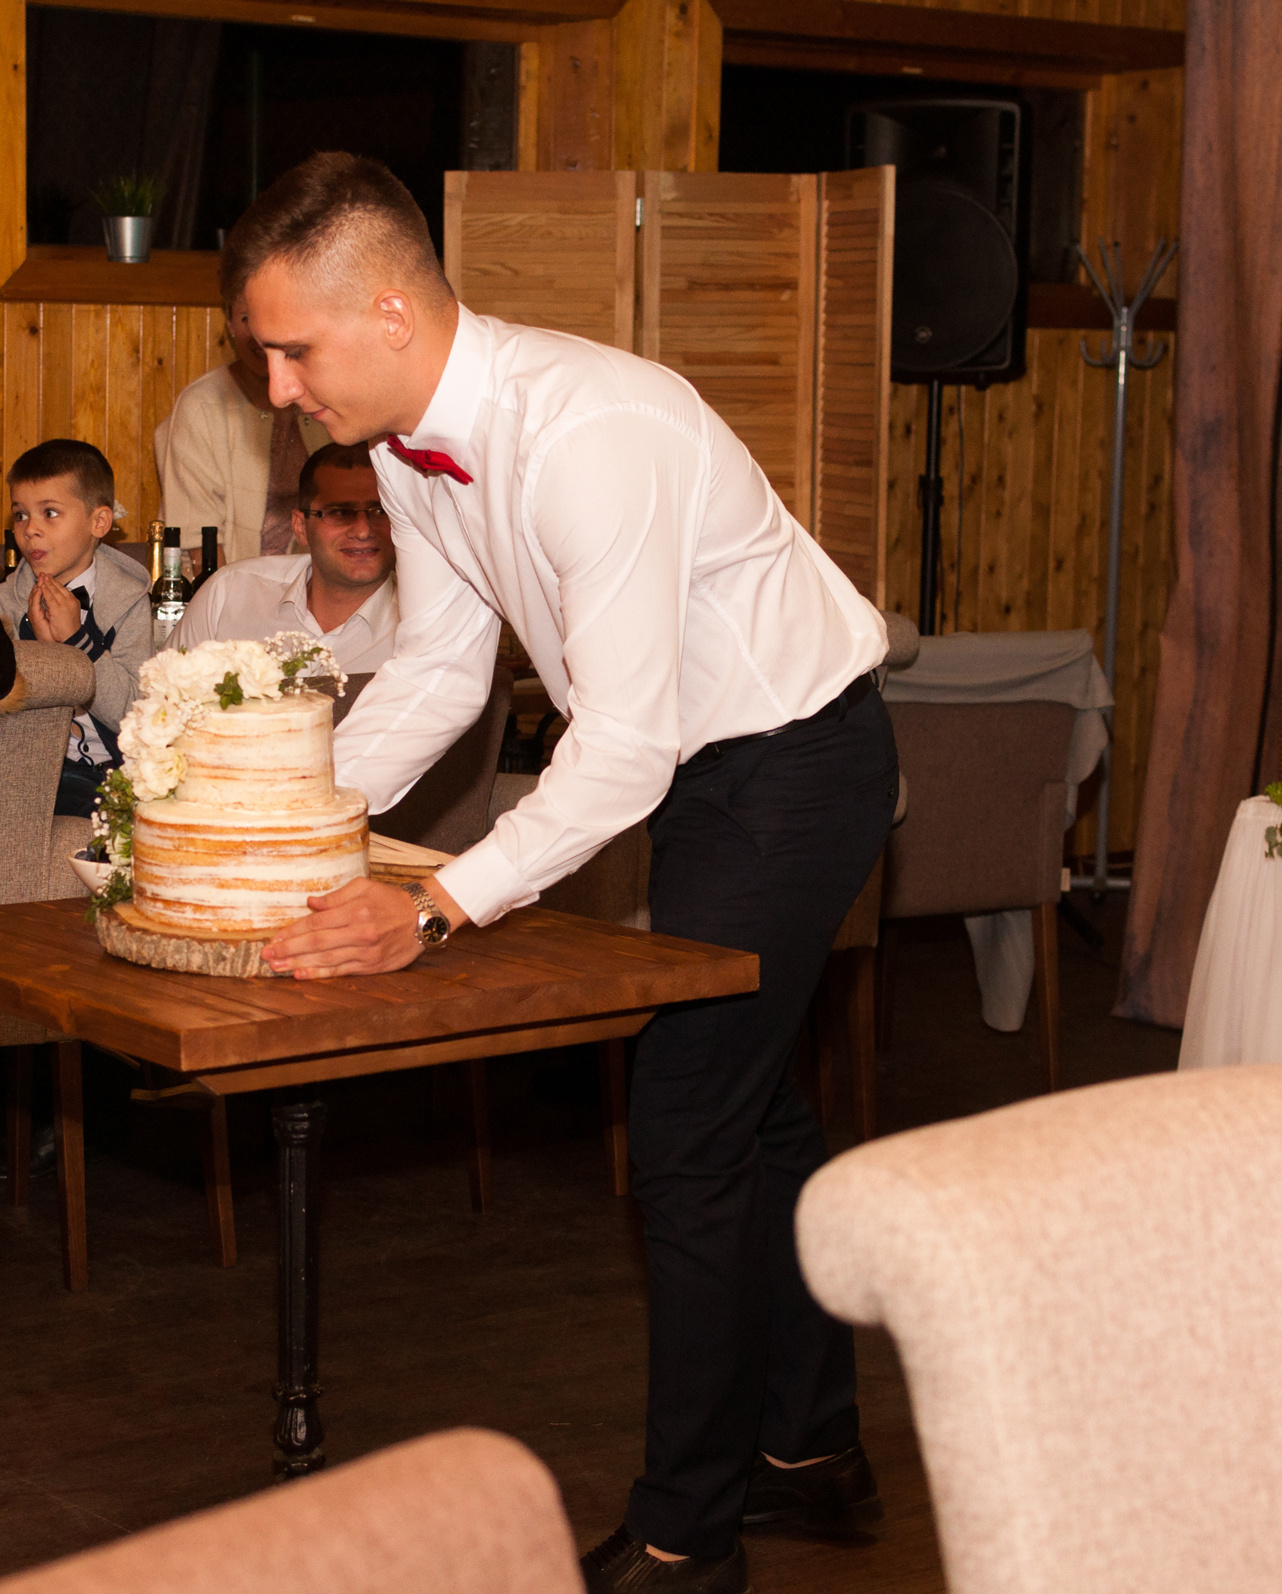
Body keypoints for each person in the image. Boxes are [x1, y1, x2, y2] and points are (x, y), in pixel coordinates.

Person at [234, 155, 896, 1593]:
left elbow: (623, 750)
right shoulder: (406, 448)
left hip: (794, 761)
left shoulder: (594, 430)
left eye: (293, 352)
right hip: (701, 766)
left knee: (687, 1127)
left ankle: (687, 1537)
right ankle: (809, 1444)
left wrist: (432, 904)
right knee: (752, 1106)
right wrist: (286, 819)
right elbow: (439, 671)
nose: (277, 390)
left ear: (390, 313)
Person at [0, 439, 155, 817]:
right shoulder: (3, 604)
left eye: (50, 513)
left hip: (121, 769)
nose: (30, 530)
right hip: (35, 767)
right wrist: (45, 656)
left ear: (99, 522)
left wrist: (78, 642)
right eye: (20, 515)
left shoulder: (128, 601)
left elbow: (137, 715)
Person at [168, 439, 398, 675]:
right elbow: (162, 690)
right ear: (300, 526)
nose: (363, 531)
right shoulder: (230, 593)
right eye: (341, 513)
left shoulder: (416, 624)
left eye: (380, 512)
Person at [154, 277, 332, 563]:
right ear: (230, 324)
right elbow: (200, 539)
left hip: (316, 580)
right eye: (248, 318)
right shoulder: (201, 406)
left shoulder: (328, 398)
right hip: (224, 580)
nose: (260, 333)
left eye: (273, 314)